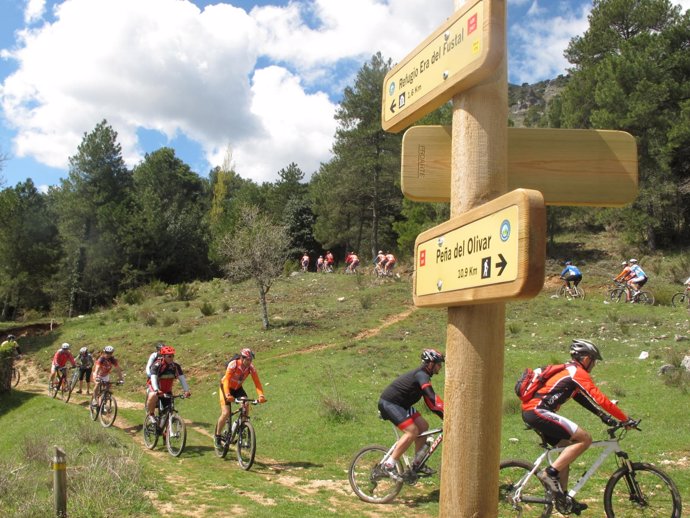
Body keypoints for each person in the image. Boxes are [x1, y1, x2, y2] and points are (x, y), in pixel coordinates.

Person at [521, 339, 632, 512]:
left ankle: (563, 499)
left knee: (566, 448)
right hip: (538, 411)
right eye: (593, 360)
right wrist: (624, 418)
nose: (593, 365)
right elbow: (599, 398)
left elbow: (579, 396)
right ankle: (548, 473)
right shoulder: (577, 372)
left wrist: (603, 416)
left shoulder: (568, 370)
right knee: (584, 439)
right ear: (586, 358)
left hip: (533, 412)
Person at [377, 349, 445, 480]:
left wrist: (444, 415)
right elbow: (431, 396)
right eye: (438, 364)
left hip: (402, 405)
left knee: (424, 426)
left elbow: (431, 403)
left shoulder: (424, 376)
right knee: (412, 431)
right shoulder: (421, 375)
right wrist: (446, 413)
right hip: (389, 403)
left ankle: (416, 464)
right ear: (430, 364)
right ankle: (389, 464)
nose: (440, 367)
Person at [214, 348, 267, 448]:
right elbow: (226, 381)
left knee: (246, 405)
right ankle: (217, 436)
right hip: (225, 388)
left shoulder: (251, 367)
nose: (249, 362)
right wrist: (228, 395)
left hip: (237, 388)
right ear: (242, 358)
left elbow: (257, 383)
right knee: (226, 413)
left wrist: (261, 395)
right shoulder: (233, 364)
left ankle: (240, 427)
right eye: (248, 359)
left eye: (251, 360)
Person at [145, 345, 191, 422]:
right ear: (163, 356)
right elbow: (153, 378)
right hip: (155, 388)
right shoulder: (157, 365)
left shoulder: (175, 366)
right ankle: (151, 415)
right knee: (153, 395)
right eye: (169, 356)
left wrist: (186, 390)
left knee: (168, 413)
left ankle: (166, 432)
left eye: (172, 356)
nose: (171, 358)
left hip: (167, 390)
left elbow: (182, 379)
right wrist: (156, 390)